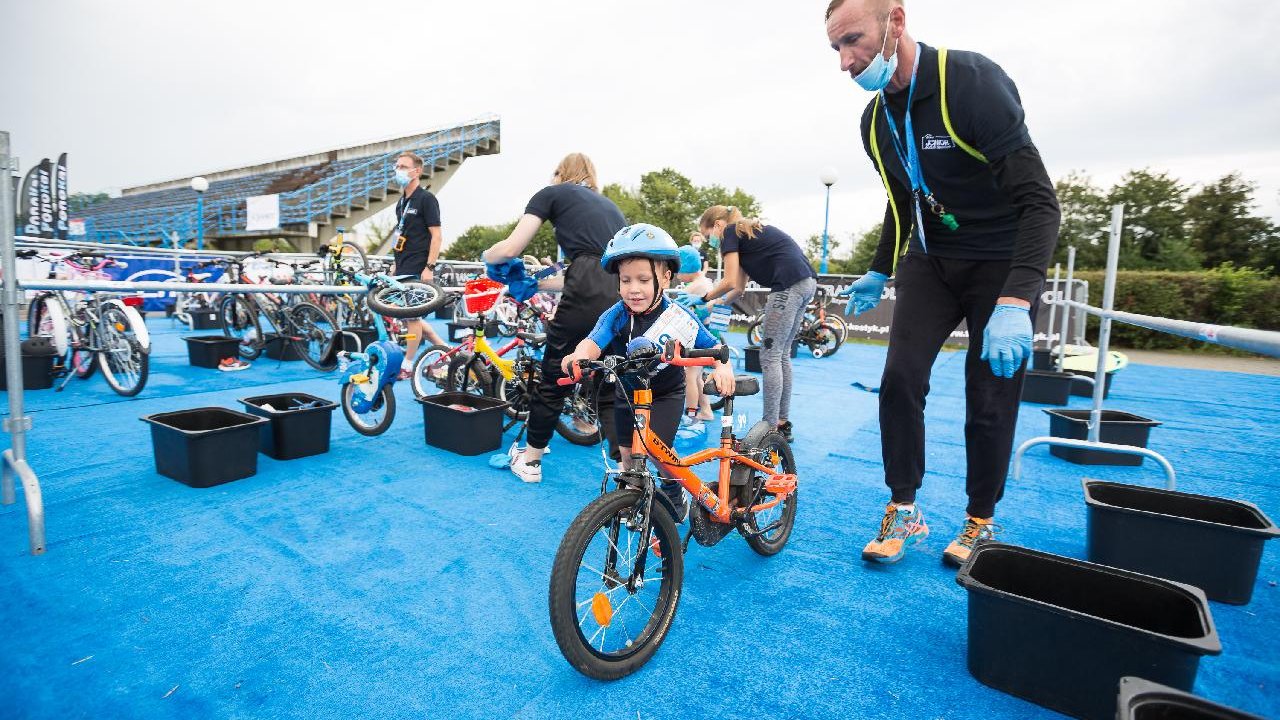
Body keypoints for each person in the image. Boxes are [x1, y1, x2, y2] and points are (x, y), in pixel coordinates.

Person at [825, 0, 1061, 566]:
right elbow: (902, 200)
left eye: (853, 40)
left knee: (989, 397)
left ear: (896, 22)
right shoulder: (876, 121)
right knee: (900, 380)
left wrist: (1016, 299)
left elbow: (1041, 204)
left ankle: (980, 520)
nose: (845, 62)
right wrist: (882, 265)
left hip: (1000, 263)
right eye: (836, 48)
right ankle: (903, 508)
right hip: (931, 261)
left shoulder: (971, 84)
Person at [560, 224, 736, 519]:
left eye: (643, 279)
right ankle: (632, 500)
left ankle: (672, 488)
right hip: (627, 394)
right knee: (628, 456)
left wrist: (723, 367)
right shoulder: (616, 314)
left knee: (660, 455)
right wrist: (579, 356)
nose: (633, 289)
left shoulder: (679, 316)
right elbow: (593, 340)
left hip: (665, 394)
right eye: (626, 280)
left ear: (665, 278)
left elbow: (714, 347)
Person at [482, 153, 626, 483]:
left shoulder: (552, 193)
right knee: (608, 381)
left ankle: (530, 461)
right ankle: (626, 470)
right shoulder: (610, 209)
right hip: (620, 287)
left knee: (554, 376)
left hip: (586, 284)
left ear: (560, 173)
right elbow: (585, 269)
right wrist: (537, 282)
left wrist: (488, 256)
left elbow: (510, 248)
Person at [696, 206, 817, 443]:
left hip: (788, 285)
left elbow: (728, 280)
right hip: (806, 283)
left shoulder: (729, 232)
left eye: (708, 232)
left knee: (770, 357)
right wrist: (709, 306)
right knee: (781, 356)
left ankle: (769, 429)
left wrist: (703, 298)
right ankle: (781, 423)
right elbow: (738, 288)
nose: (710, 240)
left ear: (718, 225)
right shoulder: (745, 234)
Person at [390, 152, 446, 378]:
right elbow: (401, 235)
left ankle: (408, 364)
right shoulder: (401, 203)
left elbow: (437, 236)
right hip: (401, 266)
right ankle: (445, 349)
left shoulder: (426, 199)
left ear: (417, 171)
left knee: (411, 317)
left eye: (403, 166)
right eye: (397, 166)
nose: (398, 170)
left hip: (418, 266)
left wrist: (429, 268)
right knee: (408, 316)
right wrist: (394, 265)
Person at [673, 245, 716, 440]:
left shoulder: (696, 286)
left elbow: (674, 306)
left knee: (688, 376)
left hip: (700, 339)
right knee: (696, 377)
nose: (676, 275)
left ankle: (690, 414)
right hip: (707, 336)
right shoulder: (705, 281)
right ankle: (705, 410)